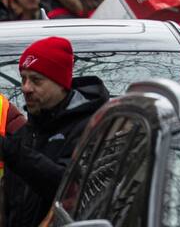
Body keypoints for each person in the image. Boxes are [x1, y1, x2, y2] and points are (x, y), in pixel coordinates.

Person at [2, 37, 110, 227]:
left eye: (36, 80)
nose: (25, 88)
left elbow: (67, 187)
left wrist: (12, 152)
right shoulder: (25, 134)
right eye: (23, 78)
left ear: (61, 83)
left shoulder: (91, 130)